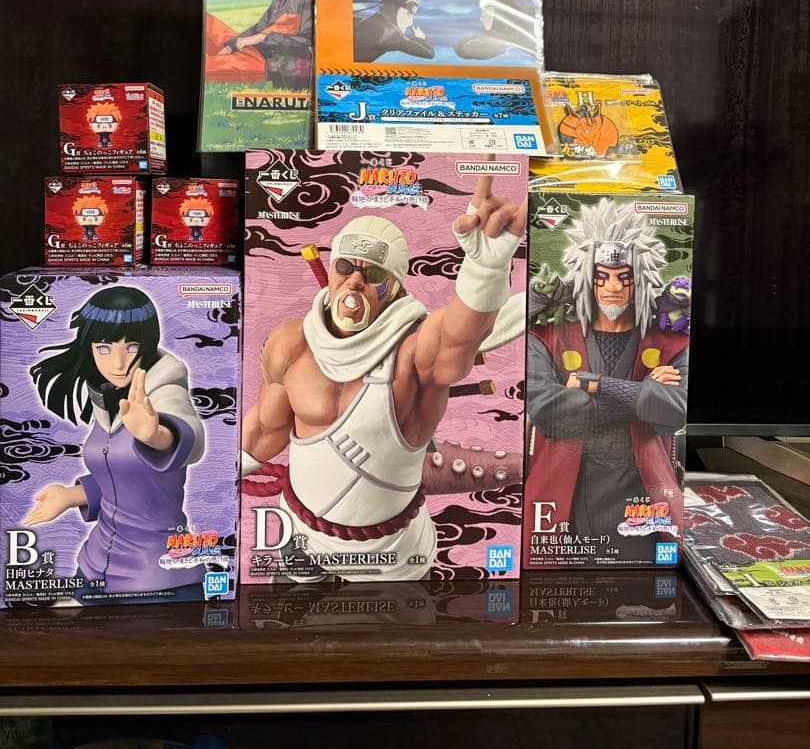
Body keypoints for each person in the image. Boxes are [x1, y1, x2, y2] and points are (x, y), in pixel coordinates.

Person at [241, 175, 526, 581]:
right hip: (299, 536)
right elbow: (264, 430)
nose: (355, 282)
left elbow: (457, 337)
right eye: (345, 267)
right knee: (279, 618)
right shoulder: (291, 344)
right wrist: (209, 474)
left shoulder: (412, 356)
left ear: (393, 289)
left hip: (389, 556)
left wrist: (485, 269)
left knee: (394, 624)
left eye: (374, 275)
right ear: (332, 271)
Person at [524, 199, 688, 561]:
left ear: (640, 277)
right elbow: (548, 411)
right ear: (586, 275)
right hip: (561, 501)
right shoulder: (545, 335)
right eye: (602, 276)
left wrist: (594, 383)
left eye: (623, 276)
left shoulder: (670, 340)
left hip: (644, 502)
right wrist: (642, 396)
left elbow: (676, 412)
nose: (613, 287)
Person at [26, 286, 206, 600]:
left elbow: (190, 440)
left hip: (159, 578)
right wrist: (70, 495)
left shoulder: (163, 392)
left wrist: (156, 435)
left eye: (132, 346)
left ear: (148, 344)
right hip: (93, 569)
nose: (119, 363)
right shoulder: (108, 399)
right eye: (104, 348)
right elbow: (123, 480)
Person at [353, 0, 434, 63]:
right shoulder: (390, 33)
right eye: (411, 13)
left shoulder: (362, 21)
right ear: (399, 10)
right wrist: (420, 38)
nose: (411, 22)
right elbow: (428, 53)